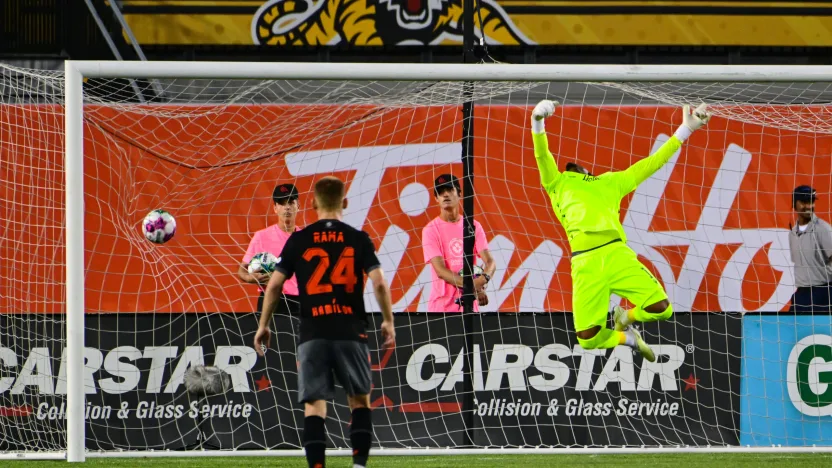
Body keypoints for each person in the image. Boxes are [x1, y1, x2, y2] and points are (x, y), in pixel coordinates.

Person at [531, 100, 711, 361]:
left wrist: (684, 131)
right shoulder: (556, 182)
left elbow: (651, 164)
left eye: (577, 166)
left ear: (587, 171)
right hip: (585, 263)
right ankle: (628, 338)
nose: (571, 166)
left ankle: (625, 316)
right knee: (588, 339)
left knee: (662, 309)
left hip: (616, 254)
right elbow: (541, 154)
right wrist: (537, 120)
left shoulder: (610, 181)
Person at [254, 176, 395, 468]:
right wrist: (387, 320)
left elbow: (274, 286)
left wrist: (263, 325)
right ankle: (358, 466)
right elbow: (379, 283)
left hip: (313, 333)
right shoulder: (358, 237)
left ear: (314, 204)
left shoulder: (299, 239)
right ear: (344, 202)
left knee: (314, 406)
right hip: (351, 331)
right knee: (359, 400)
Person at [422, 174, 497, 312]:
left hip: (469, 306)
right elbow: (441, 271)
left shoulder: (473, 226)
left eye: (450, 190)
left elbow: (490, 262)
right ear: (436, 199)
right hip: (441, 309)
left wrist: (483, 280)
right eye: (440, 192)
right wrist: (473, 286)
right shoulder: (430, 230)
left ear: (460, 194)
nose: (445, 195)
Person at [238, 183, 301, 314]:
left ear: (298, 206)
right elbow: (241, 270)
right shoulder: (261, 236)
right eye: (282, 203)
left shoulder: (306, 238)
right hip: (269, 299)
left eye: (290, 202)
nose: (287, 208)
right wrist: (251, 278)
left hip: (299, 302)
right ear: (275, 208)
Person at [788, 185, 832, 312]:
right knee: (791, 327)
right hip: (802, 293)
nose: (808, 206)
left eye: (811, 202)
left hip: (824, 292)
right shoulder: (792, 233)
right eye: (804, 202)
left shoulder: (823, 229)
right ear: (794, 204)